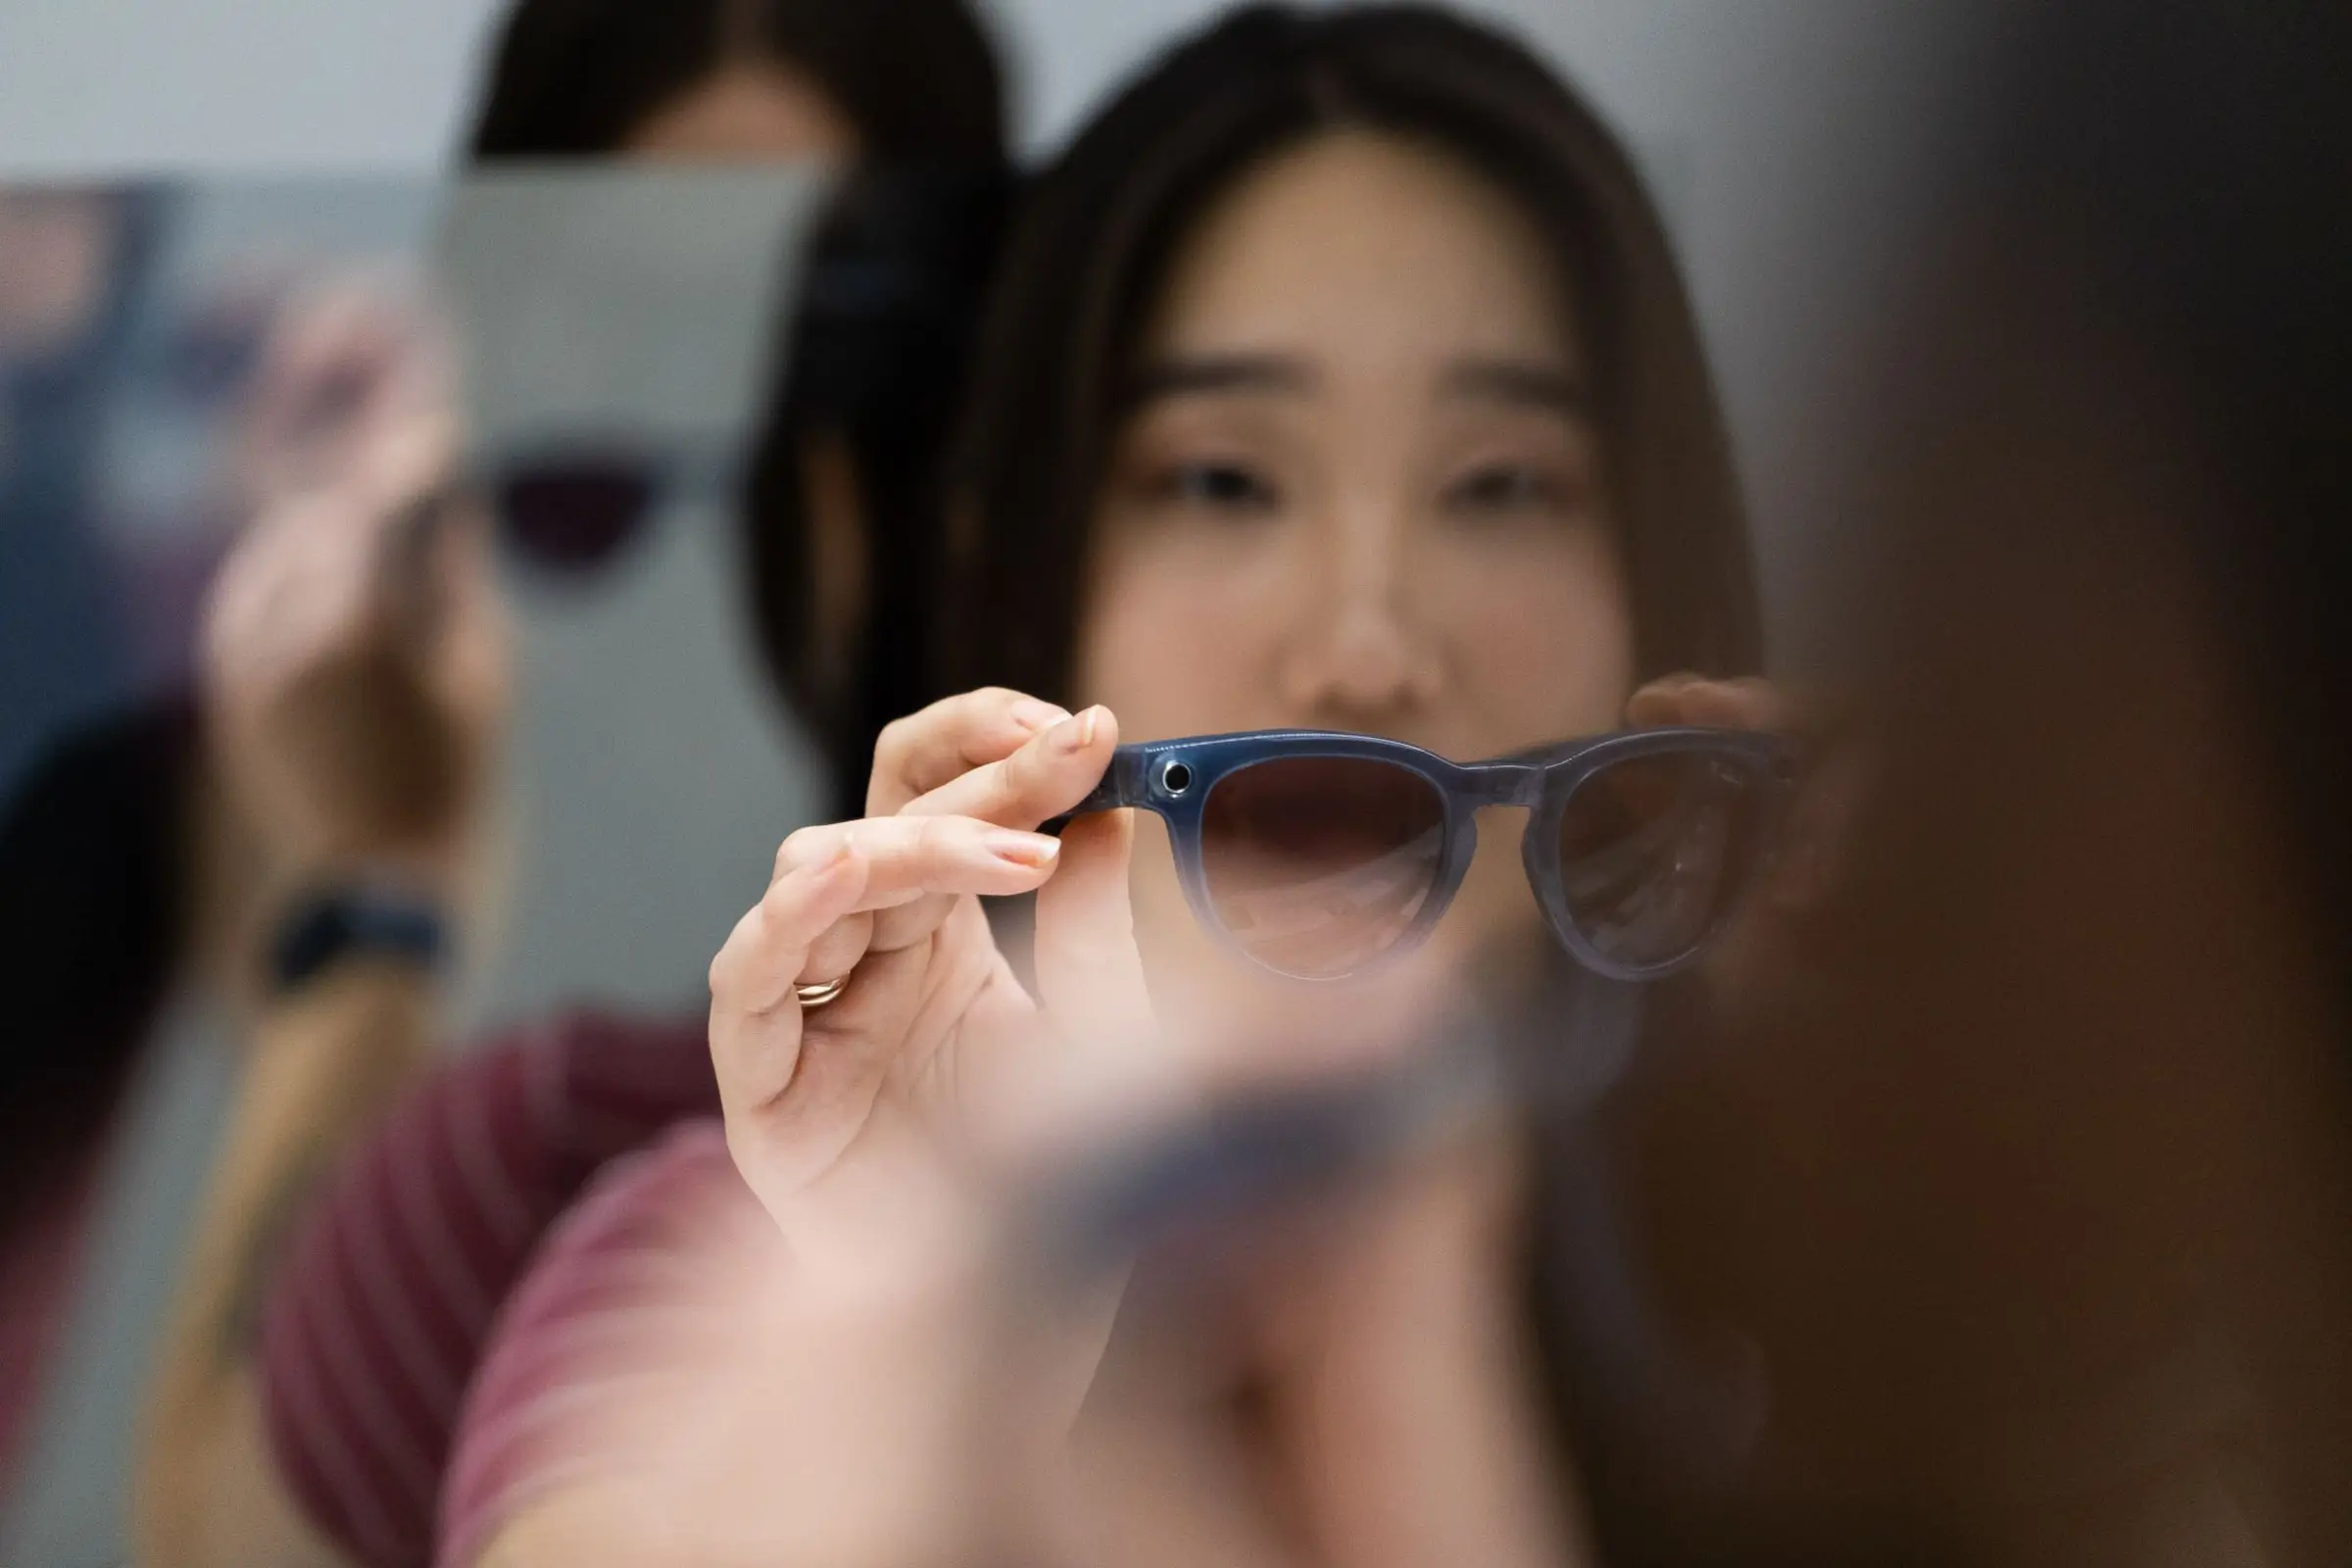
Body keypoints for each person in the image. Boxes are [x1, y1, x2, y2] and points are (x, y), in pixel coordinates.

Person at [436, 8, 1791, 1565]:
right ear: (1017, 577)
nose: (1365, 647)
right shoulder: (741, 1258)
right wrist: (950, 1307)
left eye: (1503, 485)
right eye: (1222, 479)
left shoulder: (1864, 1269)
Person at [132, 3, 1009, 1565]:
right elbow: (207, 1526)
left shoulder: (1021, 930)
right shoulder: (365, 719)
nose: (732, 459)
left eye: (833, 347)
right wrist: (377, 884)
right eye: (637, 336)